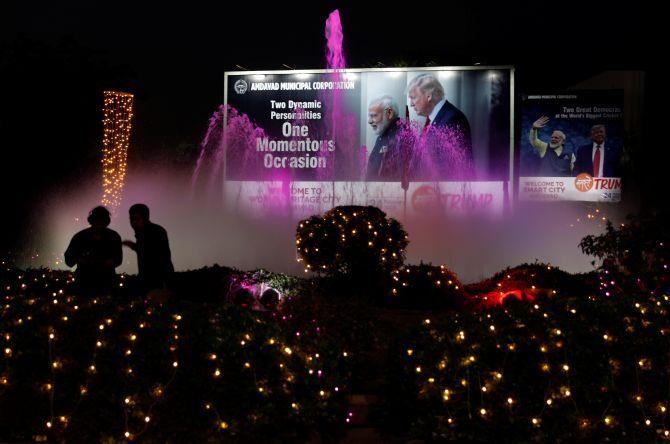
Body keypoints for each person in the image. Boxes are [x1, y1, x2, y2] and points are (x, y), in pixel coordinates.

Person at [407, 73, 473, 179]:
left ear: (429, 96)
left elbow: (453, 168)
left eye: (413, 97)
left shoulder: (452, 119)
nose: (411, 104)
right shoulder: (435, 118)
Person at [64, 206, 122, 296]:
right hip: (98, 285)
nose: (99, 225)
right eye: (98, 221)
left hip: (92, 284)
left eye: (101, 221)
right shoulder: (114, 236)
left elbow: (69, 260)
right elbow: (118, 260)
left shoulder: (80, 236)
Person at [122, 203, 174, 293]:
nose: (133, 222)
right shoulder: (153, 230)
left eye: (137, 219)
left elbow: (154, 254)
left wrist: (133, 246)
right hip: (156, 280)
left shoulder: (153, 231)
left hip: (157, 280)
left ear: (145, 218)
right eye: (131, 219)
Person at [366, 95, 403, 180]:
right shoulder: (384, 134)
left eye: (374, 115)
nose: (369, 121)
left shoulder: (400, 138)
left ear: (389, 113)